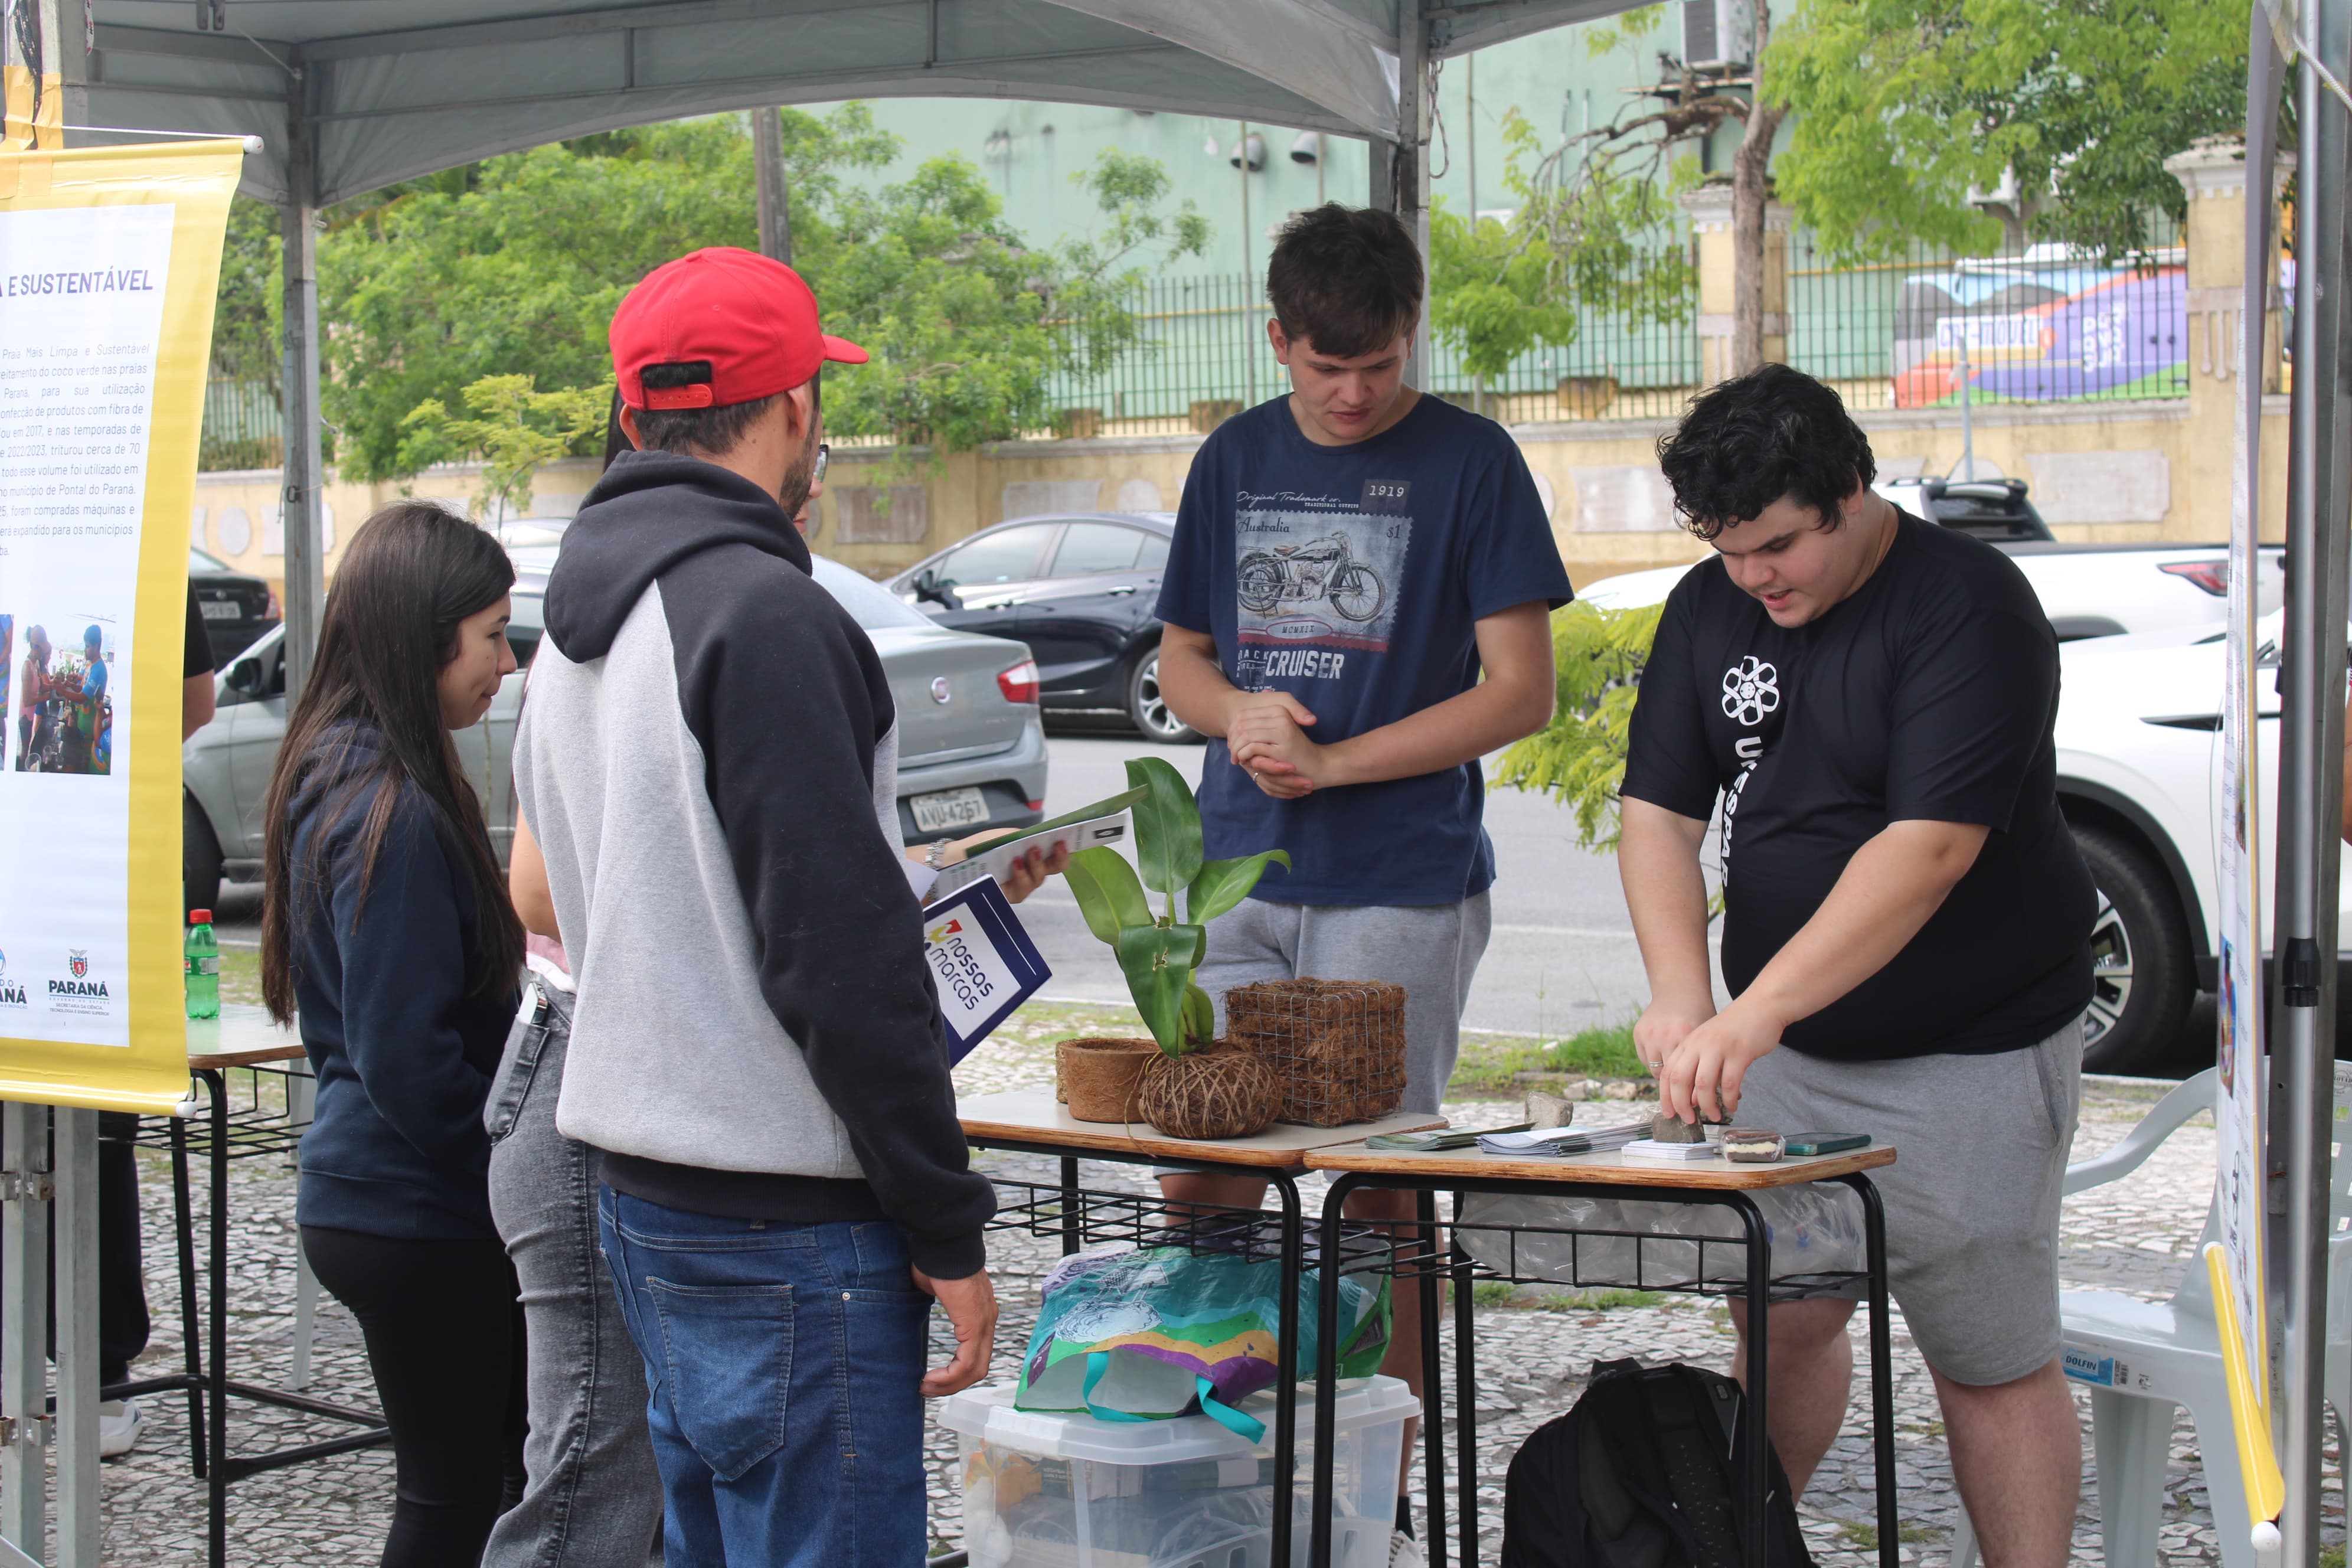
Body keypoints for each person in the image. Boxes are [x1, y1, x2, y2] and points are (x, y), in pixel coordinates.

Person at [515, 246, 1000, 1567]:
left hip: (643, 1184)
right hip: (789, 1212)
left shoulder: (570, 629)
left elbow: (574, 887)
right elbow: (838, 960)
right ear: (796, 409)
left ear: (633, 416)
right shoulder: (762, 612)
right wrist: (943, 1216)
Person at [1618, 364, 2096, 1568]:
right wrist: (1687, 996)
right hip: (1788, 1054)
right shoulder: (1709, 605)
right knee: (1783, 1322)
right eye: (1728, 550)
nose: (1753, 577)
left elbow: (1926, 848)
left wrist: (1752, 1012)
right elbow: (1659, 817)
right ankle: (1745, 1552)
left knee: (1987, 1358)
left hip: (1976, 1048)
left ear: (1851, 490)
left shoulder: (1969, 607)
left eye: (1777, 545)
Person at [1151, 203, 1570, 1565]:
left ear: (1410, 337)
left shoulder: (1473, 462)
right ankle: (1214, 1448)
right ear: (1275, 338)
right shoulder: (1231, 457)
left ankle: (1375, 1482)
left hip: (1399, 872)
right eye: (1325, 367)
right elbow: (1184, 663)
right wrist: (1244, 722)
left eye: (1379, 364)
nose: (1352, 392)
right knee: (1206, 1164)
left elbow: (1520, 692)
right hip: (1235, 868)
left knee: (1373, 1180)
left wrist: (1338, 769)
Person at [260, 501, 527, 1567]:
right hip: (416, 1213)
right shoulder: (393, 806)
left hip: (373, 1200)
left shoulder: (333, 766)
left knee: (461, 1488)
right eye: (494, 636)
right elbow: (406, 1058)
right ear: (426, 635)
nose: (506, 663)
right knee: (457, 1497)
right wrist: (511, 1168)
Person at [61, 625, 106, 775]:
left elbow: (82, 697)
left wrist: (61, 690)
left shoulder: (99, 669)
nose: (86, 650)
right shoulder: (89, 663)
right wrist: (71, 684)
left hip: (90, 729)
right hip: (81, 723)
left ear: (97, 646)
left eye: (88, 647)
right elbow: (82, 687)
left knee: (83, 766)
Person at [16, 623, 51, 771]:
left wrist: (53, 686)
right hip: (25, 717)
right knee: (26, 748)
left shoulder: (36, 663)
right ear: (34, 647)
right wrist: (44, 698)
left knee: (31, 742)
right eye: (41, 650)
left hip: (31, 714)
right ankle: (23, 771)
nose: (43, 655)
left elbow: (41, 686)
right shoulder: (27, 667)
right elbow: (27, 700)